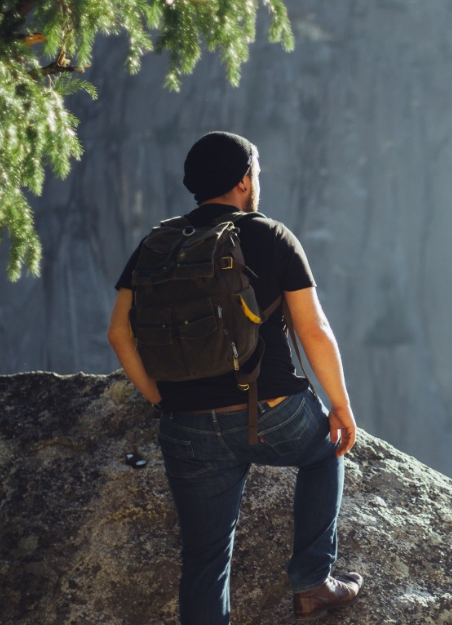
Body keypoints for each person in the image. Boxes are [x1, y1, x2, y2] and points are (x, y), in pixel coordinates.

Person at [107, 131, 363, 624]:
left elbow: (119, 333)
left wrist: (161, 398)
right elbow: (314, 330)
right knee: (326, 451)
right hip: (272, 412)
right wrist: (341, 406)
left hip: (186, 425)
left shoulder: (157, 243)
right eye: (257, 173)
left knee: (204, 561)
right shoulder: (269, 235)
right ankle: (313, 583)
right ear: (245, 180)